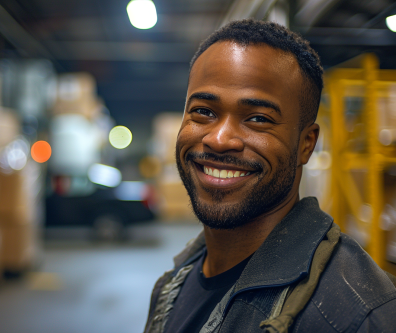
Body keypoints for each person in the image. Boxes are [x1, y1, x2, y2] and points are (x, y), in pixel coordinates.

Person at [143, 19, 396, 333]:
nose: (220, 139)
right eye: (204, 111)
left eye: (258, 118)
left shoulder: (357, 317)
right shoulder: (173, 285)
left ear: (306, 145)